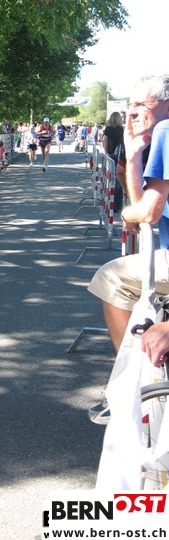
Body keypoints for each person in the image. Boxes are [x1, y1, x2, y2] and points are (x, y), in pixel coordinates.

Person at [88, 75, 169, 363]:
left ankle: (133, 374)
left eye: (141, 104)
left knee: (110, 277)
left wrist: (125, 213)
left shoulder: (166, 130)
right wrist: (133, 157)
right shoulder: (157, 137)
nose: (132, 113)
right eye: (129, 106)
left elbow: (146, 213)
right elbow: (143, 206)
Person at [102, 111, 125, 213]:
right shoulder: (121, 129)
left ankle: (108, 200)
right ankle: (117, 205)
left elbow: (105, 140)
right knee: (118, 180)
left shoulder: (108, 129)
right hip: (120, 155)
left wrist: (106, 152)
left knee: (109, 177)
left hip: (110, 154)